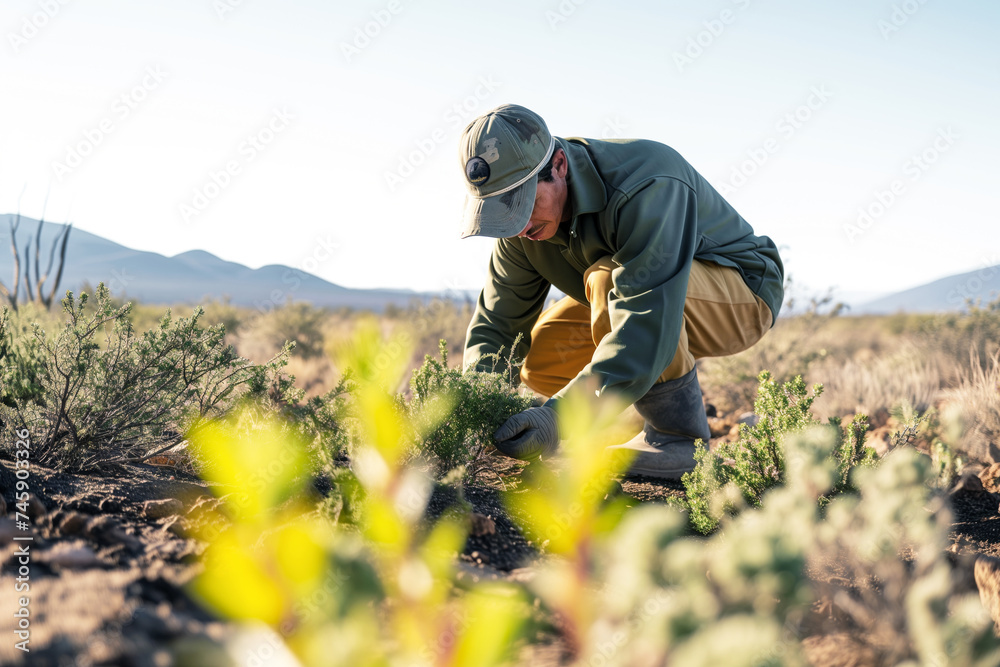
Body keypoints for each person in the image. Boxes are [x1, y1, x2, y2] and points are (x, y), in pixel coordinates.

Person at [459, 104, 784, 479]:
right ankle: (627, 416)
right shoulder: (521, 230)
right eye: (502, 210)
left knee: (608, 279)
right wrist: (476, 406)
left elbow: (646, 318)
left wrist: (558, 417)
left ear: (560, 166)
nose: (518, 226)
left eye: (523, 202)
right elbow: (497, 325)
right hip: (638, 297)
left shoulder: (646, 183)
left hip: (742, 294)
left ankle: (676, 438)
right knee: (542, 358)